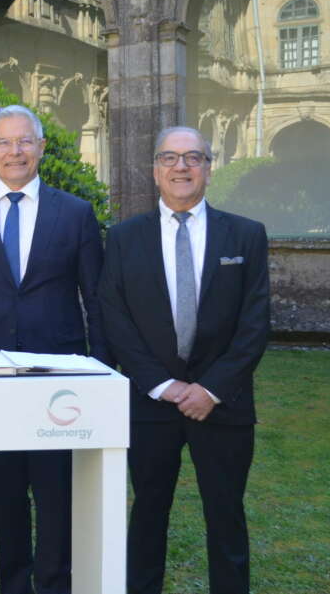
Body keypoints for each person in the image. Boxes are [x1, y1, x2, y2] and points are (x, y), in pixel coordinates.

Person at [0, 104, 109, 594]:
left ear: (41, 148)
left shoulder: (74, 213)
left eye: (24, 141)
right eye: (5, 143)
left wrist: (103, 370)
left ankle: (54, 583)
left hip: (59, 376)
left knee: (57, 493)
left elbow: (96, 299)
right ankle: (13, 583)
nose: (15, 152)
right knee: (5, 491)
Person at [98, 126, 270, 594]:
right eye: (170, 158)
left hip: (224, 403)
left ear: (209, 169)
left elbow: (255, 325)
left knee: (226, 514)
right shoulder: (123, 238)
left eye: (194, 157)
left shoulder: (247, 236)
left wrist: (211, 389)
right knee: (148, 511)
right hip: (151, 403)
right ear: (155, 170)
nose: (181, 167)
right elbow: (116, 322)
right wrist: (163, 386)